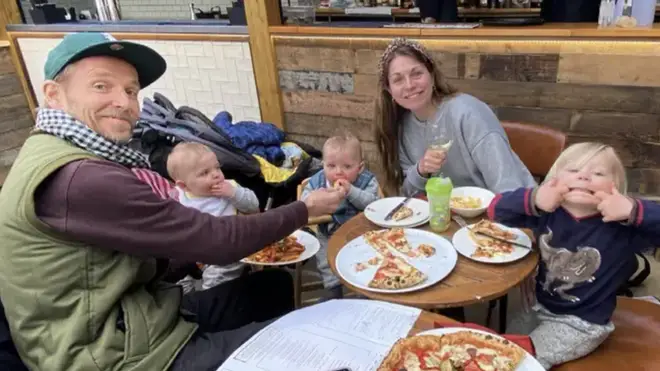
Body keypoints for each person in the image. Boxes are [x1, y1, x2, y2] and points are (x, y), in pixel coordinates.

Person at [0, 32, 343, 371]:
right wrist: (304, 210)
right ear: (53, 95)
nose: (123, 102)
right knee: (304, 341)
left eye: (131, 90)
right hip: (113, 356)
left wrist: (186, 254)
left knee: (273, 286)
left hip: (137, 320)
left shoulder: (59, 150)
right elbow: (218, 241)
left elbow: (135, 253)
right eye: (101, 86)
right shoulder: (80, 178)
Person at [488, 142, 660, 369]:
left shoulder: (625, 227)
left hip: (582, 324)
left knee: (517, 360)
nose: (584, 177)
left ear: (615, 187)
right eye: (573, 170)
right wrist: (535, 198)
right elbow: (494, 211)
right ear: (554, 180)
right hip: (538, 306)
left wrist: (632, 210)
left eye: (598, 173)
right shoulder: (546, 212)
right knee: (497, 344)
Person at [373, 38, 535, 196]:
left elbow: (508, 186)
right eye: (398, 79)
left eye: (416, 74)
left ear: (432, 75)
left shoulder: (469, 113)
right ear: (389, 89)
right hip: (447, 217)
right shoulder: (402, 126)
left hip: (505, 212)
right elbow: (409, 195)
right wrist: (420, 170)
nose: (409, 85)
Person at [167, 142, 260, 293]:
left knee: (216, 277)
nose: (216, 174)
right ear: (184, 186)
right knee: (178, 278)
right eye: (204, 173)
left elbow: (253, 206)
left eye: (217, 167)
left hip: (228, 249)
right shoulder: (178, 197)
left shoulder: (229, 187)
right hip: (193, 252)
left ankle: (209, 297)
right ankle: (186, 301)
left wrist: (233, 194)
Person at [301, 134, 381, 300]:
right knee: (325, 260)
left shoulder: (367, 181)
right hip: (328, 233)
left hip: (360, 235)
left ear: (360, 167)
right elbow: (304, 203)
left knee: (365, 261)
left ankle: (364, 292)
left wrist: (351, 191)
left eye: (347, 166)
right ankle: (332, 290)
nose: (338, 172)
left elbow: (374, 205)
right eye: (331, 166)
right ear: (323, 165)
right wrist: (317, 199)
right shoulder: (317, 182)